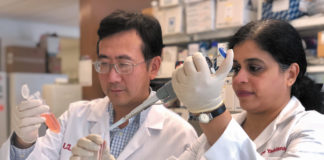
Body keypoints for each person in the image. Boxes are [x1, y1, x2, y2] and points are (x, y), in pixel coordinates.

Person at [0, 10, 197, 160]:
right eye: (104, 64)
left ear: (153, 67)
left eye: (124, 64)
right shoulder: (75, 115)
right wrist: (23, 143)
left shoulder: (179, 135)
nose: (112, 77)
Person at [170, 19, 324, 159]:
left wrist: (210, 111)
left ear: (290, 74)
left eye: (255, 68)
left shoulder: (312, 127)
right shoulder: (226, 126)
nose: (239, 78)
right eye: (236, 68)